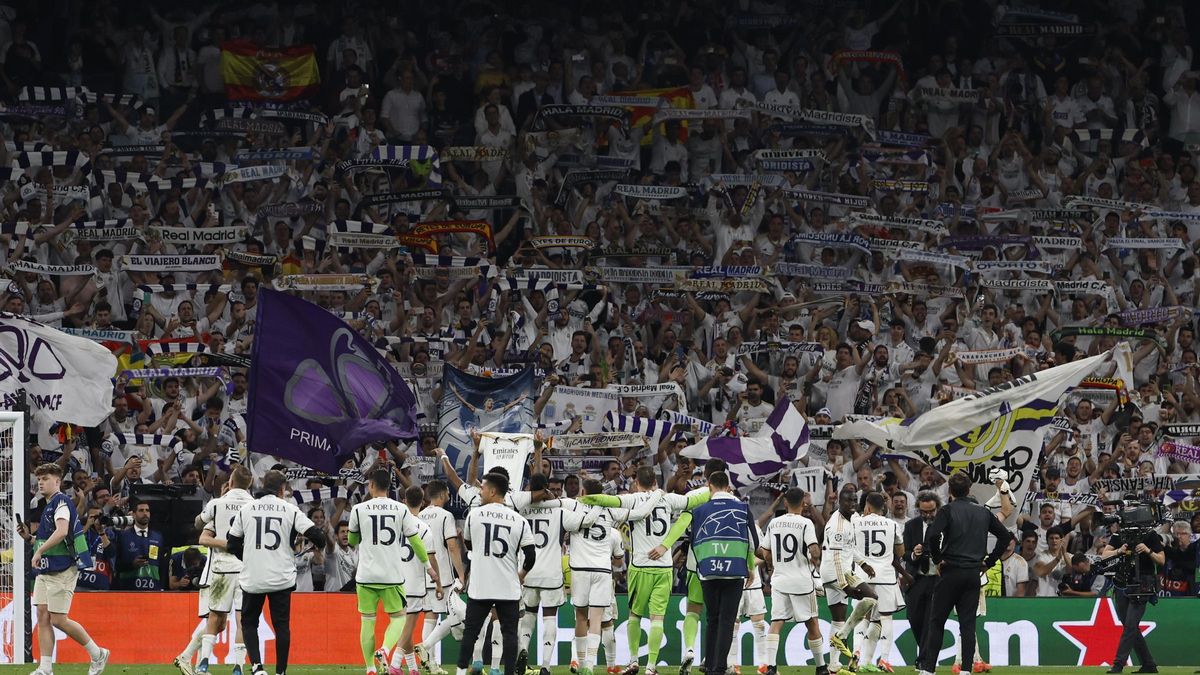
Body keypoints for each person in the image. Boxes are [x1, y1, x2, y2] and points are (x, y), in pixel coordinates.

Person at [228, 469, 329, 675]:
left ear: (264, 485)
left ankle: (257, 667)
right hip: (281, 577)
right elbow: (318, 537)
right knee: (281, 625)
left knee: (248, 622)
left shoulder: (247, 509)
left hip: (253, 577)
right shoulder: (289, 510)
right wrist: (310, 547)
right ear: (282, 489)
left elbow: (232, 544)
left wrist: (248, 558)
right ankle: (280, 672)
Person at [915, 473, 1013, 675]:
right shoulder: (983, 513)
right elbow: (1005, 536)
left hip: (950, 571)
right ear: (969, 490)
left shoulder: (947, 510)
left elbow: (933, 535)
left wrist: (937, 558)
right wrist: (989, 561)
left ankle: (928, 670)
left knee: (937, 621)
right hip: (972, 574)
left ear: (950, 491)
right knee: (967, 625)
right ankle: (966, 671)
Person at [23, 463, 110, 675]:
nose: (41, 482)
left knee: (58, 619)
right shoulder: (50, 505)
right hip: (47, 569)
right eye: (39, 479)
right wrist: (30, 539)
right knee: (43, 615)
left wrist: (38, 551)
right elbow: (52, 537)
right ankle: (45, 668)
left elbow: (62, 532)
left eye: (46, 478)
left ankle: (98, 653)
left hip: (62, 568)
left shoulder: (61, 502)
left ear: (58, 481)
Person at [350, 473, 440, 675]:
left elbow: (352, 541)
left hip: (365, 577)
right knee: (399, 618)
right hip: (392, 576)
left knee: (367, 622)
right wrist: (429, 567)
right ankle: (384, 649)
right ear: (389, 487)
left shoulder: (358, 509)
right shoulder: (400, 509)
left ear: (371, 485)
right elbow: (415, 541)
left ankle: (370, 669)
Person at [458, 472, 537, 675]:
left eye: (483, 487)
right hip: (508, 588)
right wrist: (521, 575)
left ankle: (459, 672)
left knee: (471, 633)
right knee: (510, 634)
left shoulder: (474, 515)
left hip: (480, 586)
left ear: (492, 491)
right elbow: (530, 557)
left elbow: (468, 545)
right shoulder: (519, 521)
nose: (480, 491)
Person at [185, 465, 254, 675]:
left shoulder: (217, 503)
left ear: (230, 482)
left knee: (214, 617)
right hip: (246, 570)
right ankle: (238, 667)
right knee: (243, 620)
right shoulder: (255, 506)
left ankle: (204, 661)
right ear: (249, 484)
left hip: (221, 568)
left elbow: (198, 523)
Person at [687, 471, 758, 675]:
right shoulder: (742, 508)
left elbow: (693, 542)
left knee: (712, 618)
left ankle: (708, 664)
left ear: (709, 486)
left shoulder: (699, 510)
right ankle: (718, 668)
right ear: (728, 487)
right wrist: (750, 567)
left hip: (708, 572)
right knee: (727, 620)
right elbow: (754, 543)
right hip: (734, 571)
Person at [759, 487, 824, 675]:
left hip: (779, 581)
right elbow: (814, 549)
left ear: (785, 503)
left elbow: (766, 552)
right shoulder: (806, 523)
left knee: (776, 622)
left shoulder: (774, 523)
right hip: (801, 581)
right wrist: (815, 557)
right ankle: (821, 667)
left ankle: (770, 666)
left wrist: (772, 565)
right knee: (811, 622)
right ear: (803, 504)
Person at [822, 486, 878, 671]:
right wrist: (845, 585)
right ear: (840, 502)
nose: (852, 504)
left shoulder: (850, 518)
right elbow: (837, 558)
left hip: (831, 572)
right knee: (871, 598)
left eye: (855, 500)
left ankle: (833, 665)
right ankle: (843, 635)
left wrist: (862, 563)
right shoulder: (838, 526)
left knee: (838, 619)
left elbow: (848, 548)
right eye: (848, 501)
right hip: (838, 572)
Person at [1099, 518, 1165, 673]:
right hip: (1122, 583)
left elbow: (1161, 560)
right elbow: (1104, 556)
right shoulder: (1118, 535)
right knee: (1130, 626)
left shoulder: (1150, 535)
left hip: (1142, 583)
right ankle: (1148, 664)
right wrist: (1118, 551)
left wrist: (1148, 551)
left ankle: (1118, 665)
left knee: (1130, 625)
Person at [851, 492, 906, 673]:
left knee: (861, 616)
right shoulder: (892, 524)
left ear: (867, 505)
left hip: (861, 576)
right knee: (885, 617)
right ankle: (884, 659)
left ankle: (856, 652)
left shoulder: (855, 522)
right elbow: (900, 552)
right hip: (885, 577)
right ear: (884, 507)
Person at [903, 492, 940, 662]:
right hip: (915, 579)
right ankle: (924, 655)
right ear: (918, 509)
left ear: (937, 507)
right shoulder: (911, 525)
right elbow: (904, 552)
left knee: (930, 622)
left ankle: (924, 659)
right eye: (924, 512)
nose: (927, 515)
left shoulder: (944, 525)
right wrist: (914, 554)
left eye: (931, 511)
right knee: (914, 618)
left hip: (936, 579)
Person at [111, 499, 165, 590]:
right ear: (134, 514)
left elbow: (161, 565)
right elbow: (116, 565)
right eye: (141, 510)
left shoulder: (158, 537)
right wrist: (132, 565)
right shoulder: (123, 536)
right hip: (129, 588)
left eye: (147, 510)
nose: (145, 513)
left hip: (153, 588)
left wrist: (161, 587)